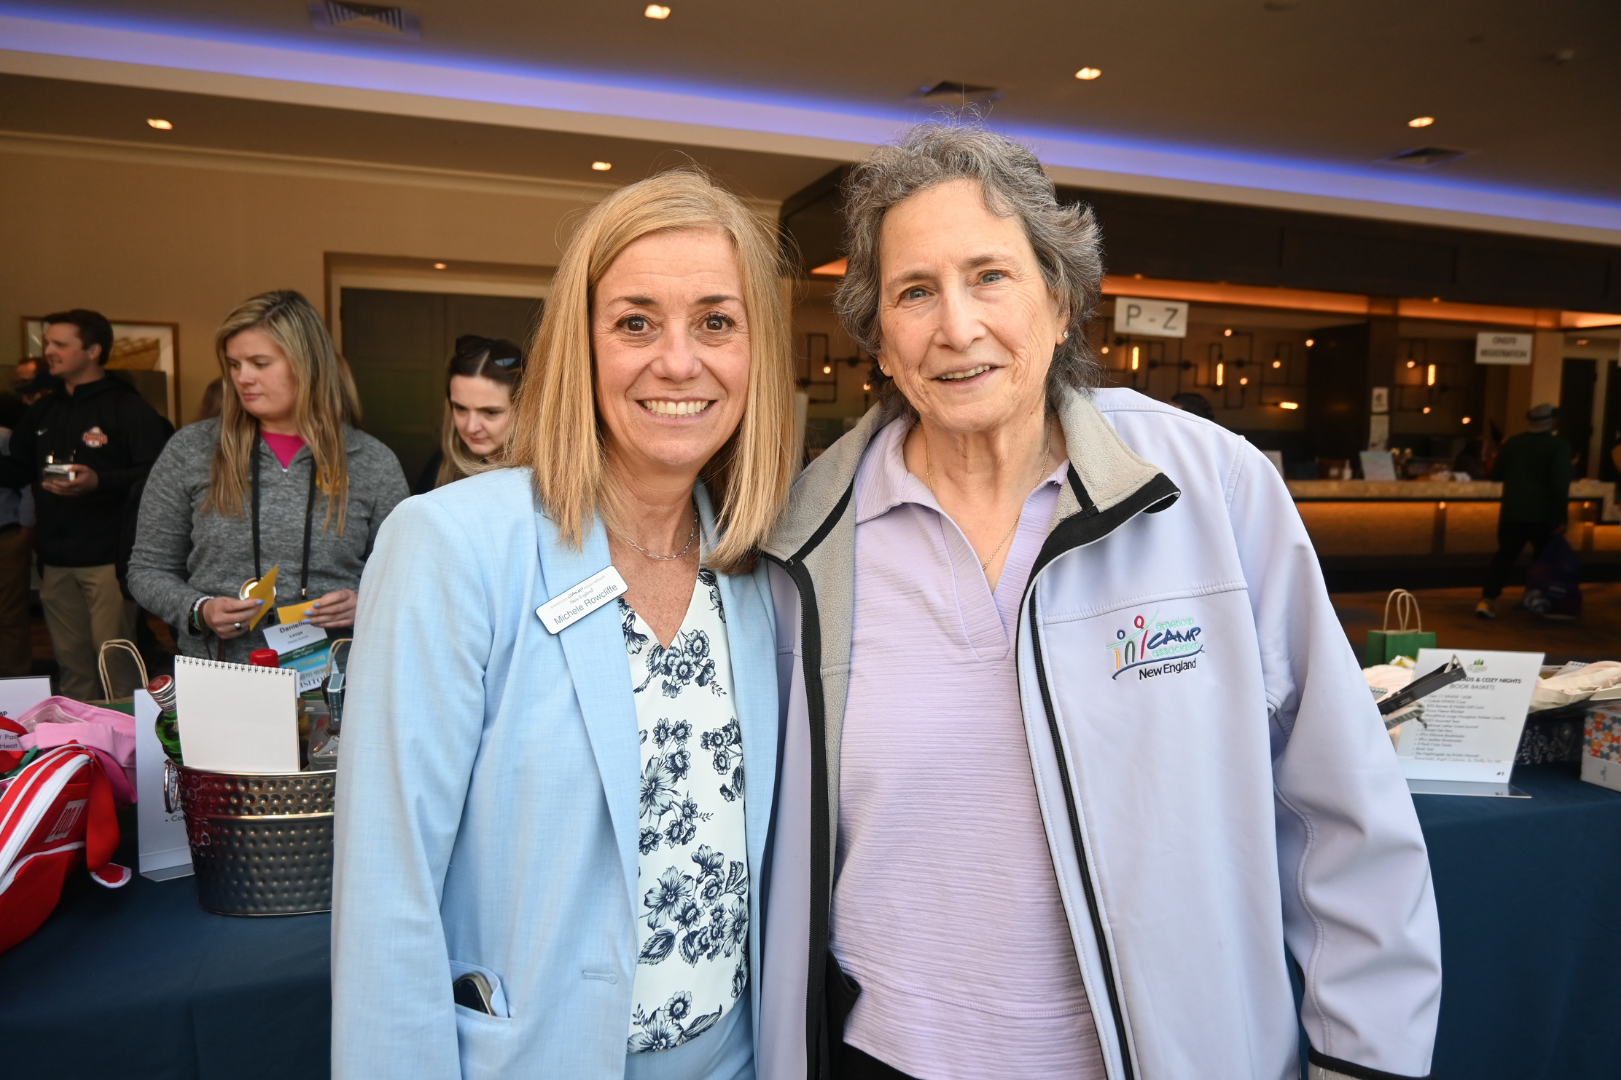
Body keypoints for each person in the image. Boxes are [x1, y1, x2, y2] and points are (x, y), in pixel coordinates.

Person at [757, 125, 1441, 1080]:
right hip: (883, 1057)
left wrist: (1364, 1061)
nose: (956, 326)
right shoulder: (804, 536)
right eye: (914, 292)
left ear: (1060, 298)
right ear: (877, 335)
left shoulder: (1208, 487)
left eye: (989, 276)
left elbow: (1339, 806)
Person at [332, 170, 798, 1080]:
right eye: (635, 323)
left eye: (716, 321)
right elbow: (387, 884)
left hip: (736, 1058)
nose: (678, 361)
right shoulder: (454, 545)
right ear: (578, 348)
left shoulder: (763, 567)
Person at [128, 291, 408, 665]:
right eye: (234, 364)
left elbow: (406, 579)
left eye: (260, 363)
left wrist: (366, 603)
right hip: (221, 673)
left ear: (308, 365)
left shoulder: (372, 461)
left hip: (337, 678)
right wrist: (199, 610)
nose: (242, 378)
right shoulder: (192, 449)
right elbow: (147, 570)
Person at [0, 311, 173, 699]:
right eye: (48, 343)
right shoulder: (44, 410)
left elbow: (158, 474)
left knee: (115, 664)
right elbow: (16, 469)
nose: (49, 351)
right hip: (55, 560)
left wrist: (100, 481)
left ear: (93, 351)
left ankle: (127, 734)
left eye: (60, 344)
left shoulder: (127, 407)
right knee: (71, 665)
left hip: (109, 558)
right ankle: (79, 735)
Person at [1475, 403, 1574, 618]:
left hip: (1512, 512)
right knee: (1543, 560)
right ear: (1552, 422)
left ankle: (1488, 599)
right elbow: (1560, 485)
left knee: (1504, 557)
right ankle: (1538, 599)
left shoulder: (1512, 443)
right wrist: (1561, 517)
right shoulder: (1559, 446)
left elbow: (1496, 475)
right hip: (1543, 515)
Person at [411, 335, 525, 495]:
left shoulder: (547, 476)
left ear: (523, 410)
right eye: (460, 408)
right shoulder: (440, 467)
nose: (471, 427)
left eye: (490, 412)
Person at [0, 395, 36, 678]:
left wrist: (26, 527)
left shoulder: (4, 437)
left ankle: (16, 678)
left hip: (7, 535)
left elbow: (26, 484)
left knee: (10, 613)